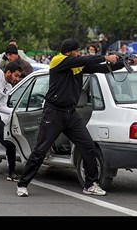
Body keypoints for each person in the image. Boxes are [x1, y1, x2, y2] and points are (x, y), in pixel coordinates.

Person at [16, 38, 123, 197]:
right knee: (41, 150)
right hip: (53, 112)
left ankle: (90, 184)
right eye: (77, 50)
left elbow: (101, 69)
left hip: (70, 113)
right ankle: (22, 184)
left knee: (88, 146)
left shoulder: (77, 65)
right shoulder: (58, 60)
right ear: (69, 52)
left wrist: (123, 63)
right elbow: (83, 59)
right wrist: (105, 57)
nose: (79, 53)